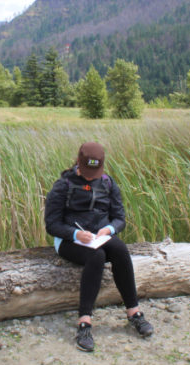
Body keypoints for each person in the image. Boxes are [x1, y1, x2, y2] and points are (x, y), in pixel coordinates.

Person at [44, 141, 153, 352]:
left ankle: (134, 312)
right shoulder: (62, 186)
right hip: (69, 241)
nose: (90, 177)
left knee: (120, 249)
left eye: (94, 172)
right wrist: (75, 234)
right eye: (86, 172)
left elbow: (120, 218)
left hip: (99, 237)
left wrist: (109, 229)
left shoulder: (108, 183)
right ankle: (84, 322)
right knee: (96, 257)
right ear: (78, 163)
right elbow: (52, 224)